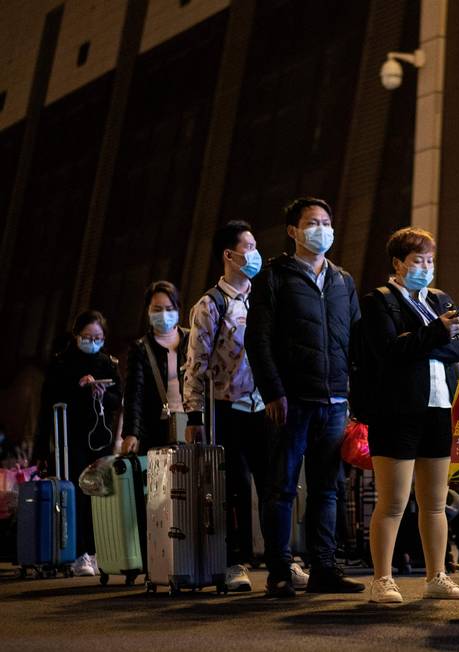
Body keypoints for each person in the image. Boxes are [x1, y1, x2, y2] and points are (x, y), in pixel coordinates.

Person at [246, 197, 363, 598]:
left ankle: (324, 568)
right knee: (281, 487)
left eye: (327, 222)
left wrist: (355, 397)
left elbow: (357, 342)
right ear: (293, 231)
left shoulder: (343, 281)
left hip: (334, 401)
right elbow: (257, 340)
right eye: (312, 222)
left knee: (326, 488)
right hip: (291, 402)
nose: (322, 229)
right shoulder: (273, 278)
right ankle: (279, 570)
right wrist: (274, 392)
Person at [183, 221, 303, 593]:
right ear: (228, 255)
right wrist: (194, 415)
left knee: (275, 487)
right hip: (226, 408)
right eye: (247, 247)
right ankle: (234, 561)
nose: (255, 254)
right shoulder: (210, 305)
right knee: (233, 487)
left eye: (255, 245)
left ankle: (279, 560)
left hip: (264, 406)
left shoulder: (264, 298)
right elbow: (196, 364)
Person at [354, 227, 459, 603]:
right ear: (398, 263)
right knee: (392, 502)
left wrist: (429, 341)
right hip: (396, 411)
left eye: (430, 260)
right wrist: (438, 334)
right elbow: (388, 350)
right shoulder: (379, 301)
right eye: (418, 260)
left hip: (439, 406)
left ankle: (437, 575)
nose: (426, 267)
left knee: (436, 503)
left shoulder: (438, 299)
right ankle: (382, 579)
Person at [32, 310, 122, 577]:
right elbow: (48, 403)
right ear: (76, 336)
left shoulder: (108, 363)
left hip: (100, 439)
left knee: (101, 495)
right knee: (77, 497)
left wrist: (103, 394)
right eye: (87, 337)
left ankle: (99, 551)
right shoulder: (61, 364)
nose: (92, 342)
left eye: (98, 337)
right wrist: (79, 386)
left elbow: (118, 397)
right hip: (70, 441)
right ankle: (78, 551)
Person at [122, 281, 189, 454]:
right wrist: (131, 433)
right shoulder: (141, 348)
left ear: (178, 308)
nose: (164, 314)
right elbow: (133, 394)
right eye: (157, 309)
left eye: (169, 308)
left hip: (192, 425)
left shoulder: (192, 340)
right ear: (148, 311)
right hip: (155, 430)